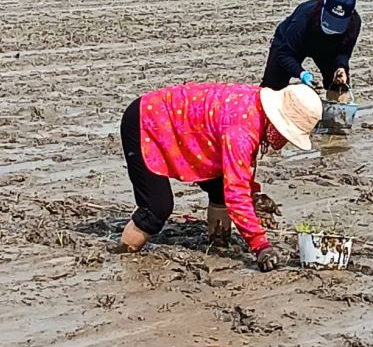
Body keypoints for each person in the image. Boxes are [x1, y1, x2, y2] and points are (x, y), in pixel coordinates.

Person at [111, 82, 322, 272]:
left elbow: (238, 170)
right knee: (156, 208)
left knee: (221, 188)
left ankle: (218, 247)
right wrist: (260, 246)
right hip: (146, 121)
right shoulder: (241, 131)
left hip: (183, 127)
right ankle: (124, 260)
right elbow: (236, 193)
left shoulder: (255, 106)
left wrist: (254, 195)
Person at [261, 0, 361, 103]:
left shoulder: (354, 24)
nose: (332, 27)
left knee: (339, 84)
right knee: (272, 87)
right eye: (330, 20)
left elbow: (343, 52)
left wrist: (341, 67)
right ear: (323, 7)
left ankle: (335, 118)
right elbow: (285, 54)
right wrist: (302, 73)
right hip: (293, 44)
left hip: (327, 49)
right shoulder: (304, 16)